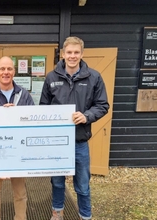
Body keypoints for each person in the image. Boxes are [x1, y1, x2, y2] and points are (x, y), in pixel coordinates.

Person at [39, 36, 109, 220]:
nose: (72, 56)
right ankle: (57, 213)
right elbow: (43, 107)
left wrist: (87, 116)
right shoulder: (51, 77)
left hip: (79, 141)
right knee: (57, 181)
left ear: (82, 54)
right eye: (69, 52)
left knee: (83, 184)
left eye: (76, 52)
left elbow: (102, 105)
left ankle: (85, 216)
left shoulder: (94, 77)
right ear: (63, 54)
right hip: (57, 142)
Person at [0, 56, 35, 220]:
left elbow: (31, 122)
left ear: (14, 71)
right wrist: (2, 115)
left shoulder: (24, 95)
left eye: (9, 69)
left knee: (20, 193)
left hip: (18, 152)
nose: (6, 72)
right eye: (2, 69)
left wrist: (17, 115)